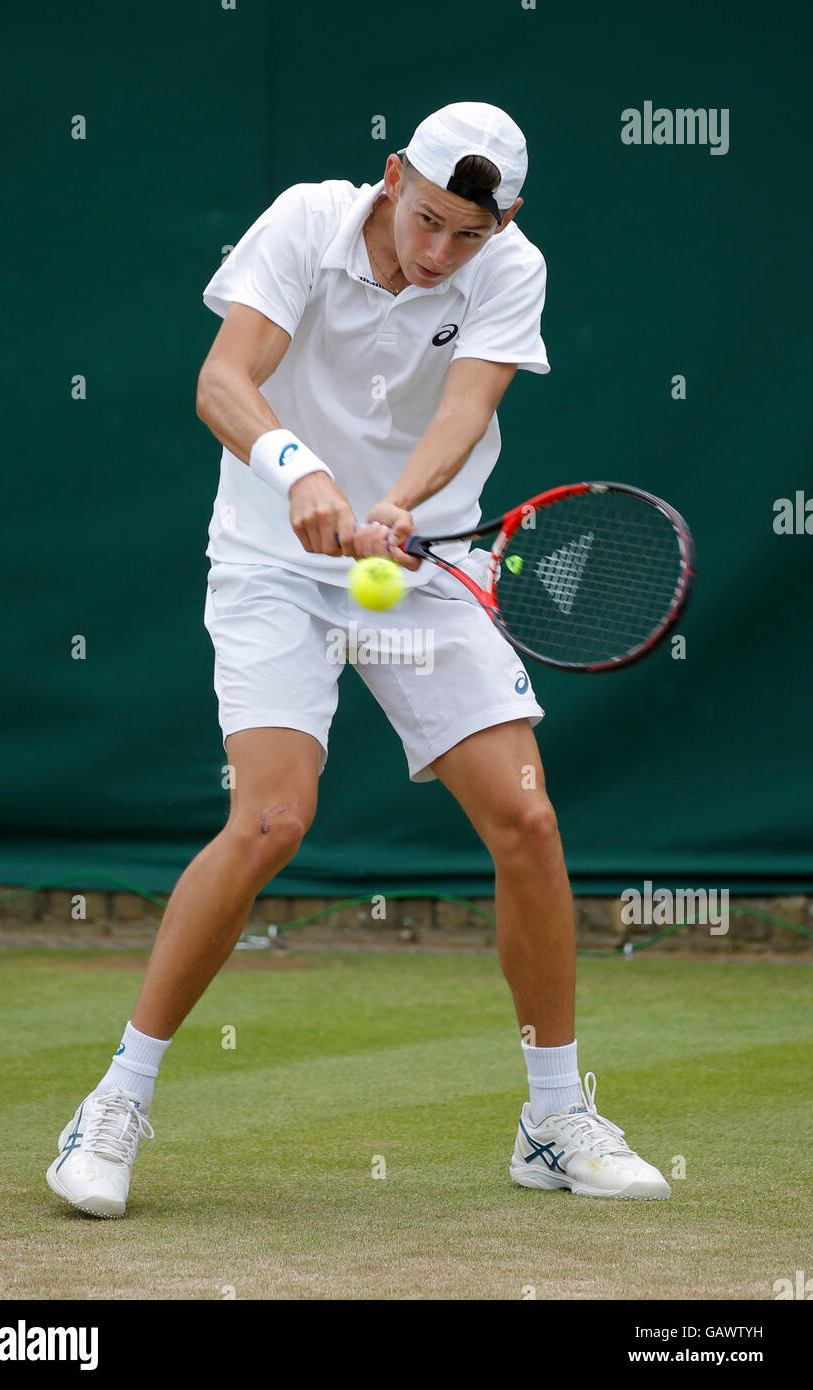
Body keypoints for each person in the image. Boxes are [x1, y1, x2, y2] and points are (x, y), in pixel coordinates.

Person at [46, 102, 669, 1218]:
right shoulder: (304, 221)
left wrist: (388, 501)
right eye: (425, 219)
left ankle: (552, 1115)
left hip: (417, 564)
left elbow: (466, 407)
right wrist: (299, 470)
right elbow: (223, 379)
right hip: (268, 557)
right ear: (390, 176)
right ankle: (112, 1103)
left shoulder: (508, 266)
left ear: (503, 222)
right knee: (271, 816)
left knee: (526, 821)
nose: (437, 252)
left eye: (465, 236)